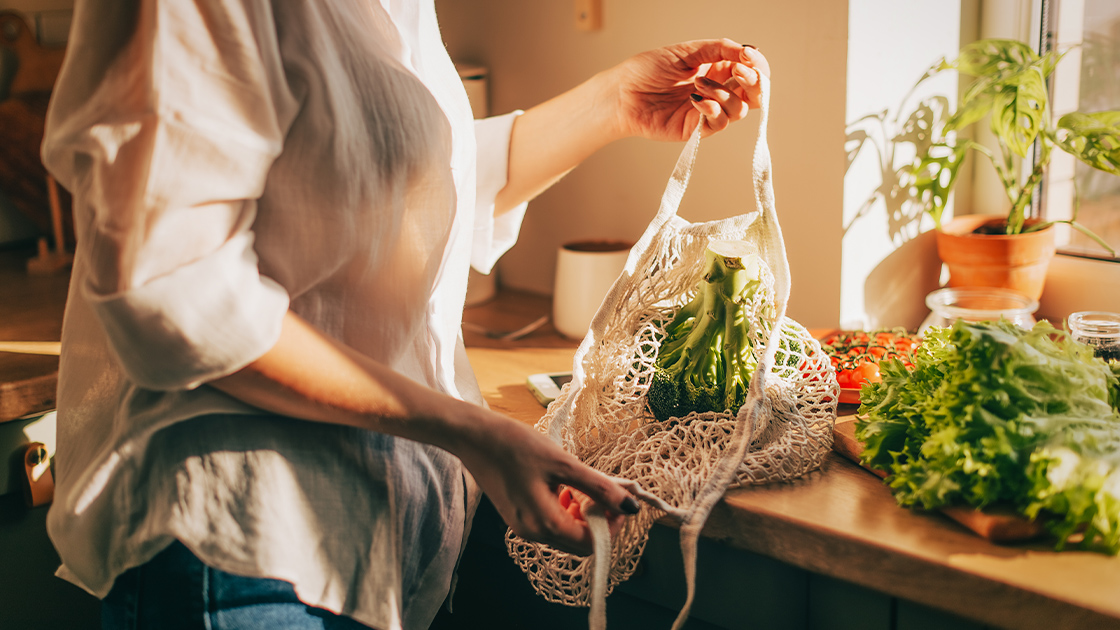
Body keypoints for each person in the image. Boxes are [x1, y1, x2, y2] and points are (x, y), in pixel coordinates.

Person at [40, 1, 770, 628]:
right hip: (240, 552)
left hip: (365, 548)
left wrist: (614, 101)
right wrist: (469, 431)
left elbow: (402, 182)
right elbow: (172, 288)